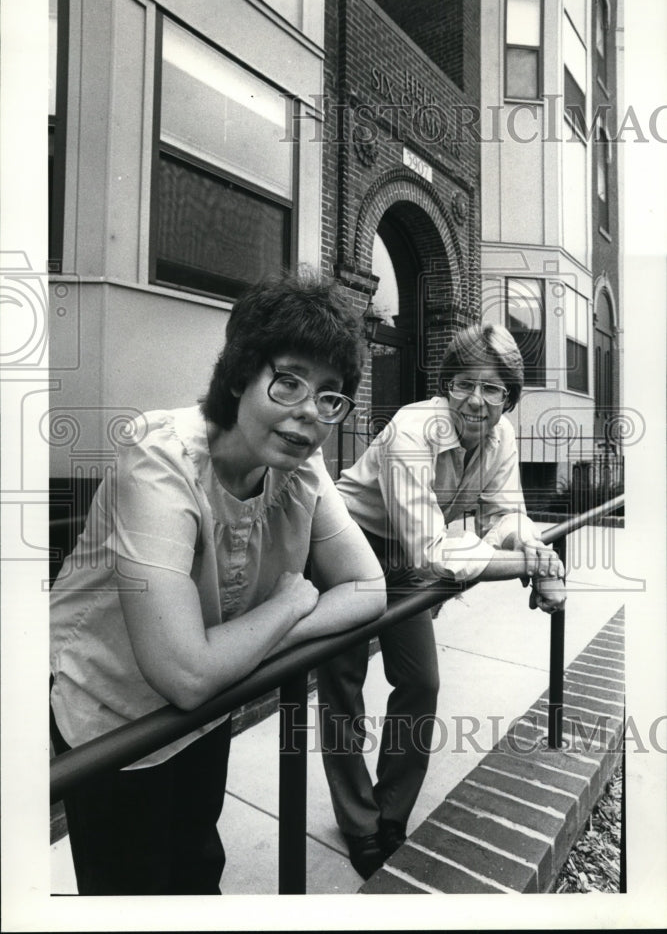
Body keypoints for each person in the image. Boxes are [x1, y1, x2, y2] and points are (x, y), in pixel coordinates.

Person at [50, 277, 386, 895]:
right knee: (131, 890)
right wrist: (289, 603)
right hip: (111, 719)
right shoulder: (160, 455)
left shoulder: (301, 466)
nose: (310, 411)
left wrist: (265, 634)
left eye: (331, 396)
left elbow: (369, 588)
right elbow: (183, 672)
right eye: (289, 381)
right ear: (238, 376)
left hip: (204, 716)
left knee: (197, 871)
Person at [317, 322, 565, 879]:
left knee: (421, 681)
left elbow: (507, 516)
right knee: (343, 685)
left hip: (406, 555)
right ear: (444, 386)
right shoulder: (413, 428)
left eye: (493, 388)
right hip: (345, 540)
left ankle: (390, 815)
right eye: (462, 384)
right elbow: (433, 553)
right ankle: (358, 823)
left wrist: (532, 548)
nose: (475, 400)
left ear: (510, 397)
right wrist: (536, 562)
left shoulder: (501, 436)